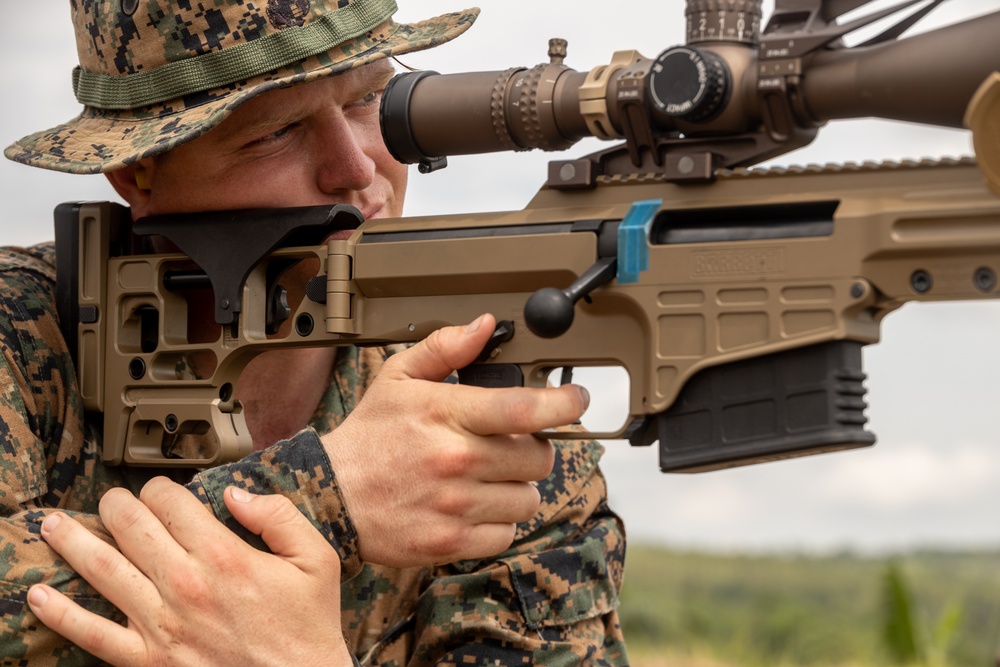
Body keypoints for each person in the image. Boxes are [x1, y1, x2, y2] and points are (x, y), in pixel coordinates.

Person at [0, 0, 628, 664]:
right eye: (278, 131)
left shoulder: (488, 424)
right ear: (138, 171)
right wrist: (325, 496)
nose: (357, 169)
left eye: (372, 102)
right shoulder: (24, 335)